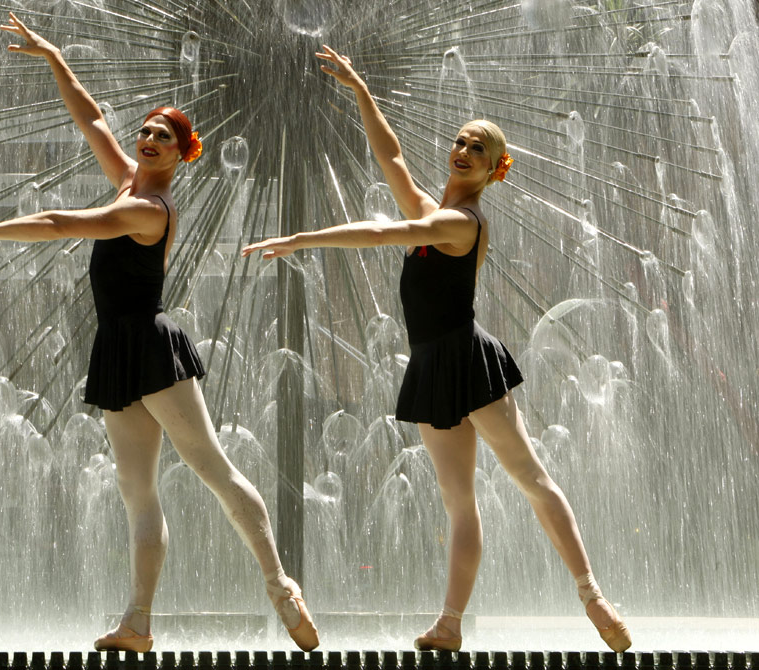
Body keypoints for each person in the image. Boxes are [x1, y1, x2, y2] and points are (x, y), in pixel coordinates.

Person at [0, 13, 318, 653]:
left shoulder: (147, 208)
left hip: (150, 344)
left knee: (213, 470)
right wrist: (54, 55)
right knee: (137, 493)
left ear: (182, 153)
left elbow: (59, 223)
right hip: (114, 348)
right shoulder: (130, 183)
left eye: (163, 135)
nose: (148, 139)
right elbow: (92, 120)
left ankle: (281, 586)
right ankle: (138, 623)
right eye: (146, 131)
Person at [241, 45, 631, 653]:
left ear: (494, 169)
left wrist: (303, 238)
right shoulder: (434, 208)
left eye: (479, 148)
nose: (464, 150)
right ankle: (450, 625)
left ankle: (592, 595)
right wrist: (360, 90)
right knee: (459, 503)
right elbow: (391, 155)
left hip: (467, 359)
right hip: (430, 366)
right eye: (461, 141)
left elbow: (384, 231)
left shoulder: (461, 222)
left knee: (530, 477)